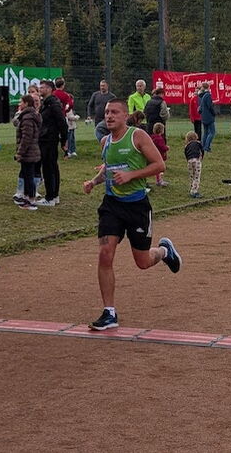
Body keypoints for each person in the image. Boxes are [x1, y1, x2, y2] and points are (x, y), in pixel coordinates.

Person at [81, 98, 181, 331]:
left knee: (142, 262)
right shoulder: (105, 141)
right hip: (111, 205)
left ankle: (164, 251)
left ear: (125, 116)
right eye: (107, 112)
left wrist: (131, 175)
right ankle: (109, 312)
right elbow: (108, 168)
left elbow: (159, 165)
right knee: (105, 254)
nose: (109, 116)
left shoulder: (138, 137)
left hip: (137, 206)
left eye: (114, 112)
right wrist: (94, 182)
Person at [38, 80, 67, 206]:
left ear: (49, 89)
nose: (40, 89)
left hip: (49, 140)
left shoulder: (53, 104)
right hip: (46, 138)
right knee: (51, 167)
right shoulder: (46, 103)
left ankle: (50, 197)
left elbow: (62, 122)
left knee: (49, 168)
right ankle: (54, 196)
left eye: (42, 87)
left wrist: (64, 140)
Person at [13, 94, 41, 210]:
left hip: (29, 152)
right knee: (27, 175)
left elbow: (26, 138)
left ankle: (31, 200)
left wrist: (20, 152)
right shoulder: (31, 116)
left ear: (26, 103)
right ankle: (27, 198)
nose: (19, 104)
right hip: (31, 151)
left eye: (21, 102)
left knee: (29, 177)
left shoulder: (27, 118)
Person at [54, 77, 78, 158]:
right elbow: (70, 104)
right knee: (66, 135)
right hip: (62, 116)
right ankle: (67, 152)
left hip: (53, 117)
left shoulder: (52, 94)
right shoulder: (66, 95)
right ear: (63, 85)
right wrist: (66, 110)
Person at [183, 130, 203, 198]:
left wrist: (188, 160)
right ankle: (194, 191)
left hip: (189, 161)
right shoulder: (198, 143)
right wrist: (201, 157)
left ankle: (191, 188)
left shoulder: (186, 146)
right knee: (197, 176)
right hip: (196, 161)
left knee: (191, 176)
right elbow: (202, 150)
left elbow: (185, 153)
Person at [199, 80, 216, 152]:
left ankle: (203, 146)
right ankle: (207, 146)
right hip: (209, 116)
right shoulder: (208, 95)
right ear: (208, 87)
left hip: (203, 116)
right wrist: (214, 113)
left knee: (205, 132)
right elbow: (210, 106)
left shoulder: (202, 96)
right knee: (212, 132)